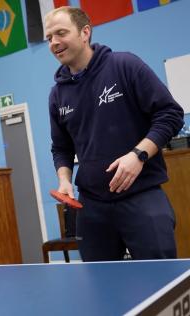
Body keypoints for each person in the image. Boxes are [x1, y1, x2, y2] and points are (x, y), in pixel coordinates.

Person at [44, 7, 184, 261]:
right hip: (92, 206)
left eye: (60, 33)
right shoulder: (57, 95)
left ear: (85, 32)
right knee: (101, 288)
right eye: (48, 37)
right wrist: (64, 179)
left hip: (142, 196)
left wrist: (138, 155)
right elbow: (61, 148)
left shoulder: (124, 65)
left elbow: (170, 114)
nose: (54, 42)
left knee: (161, 281)